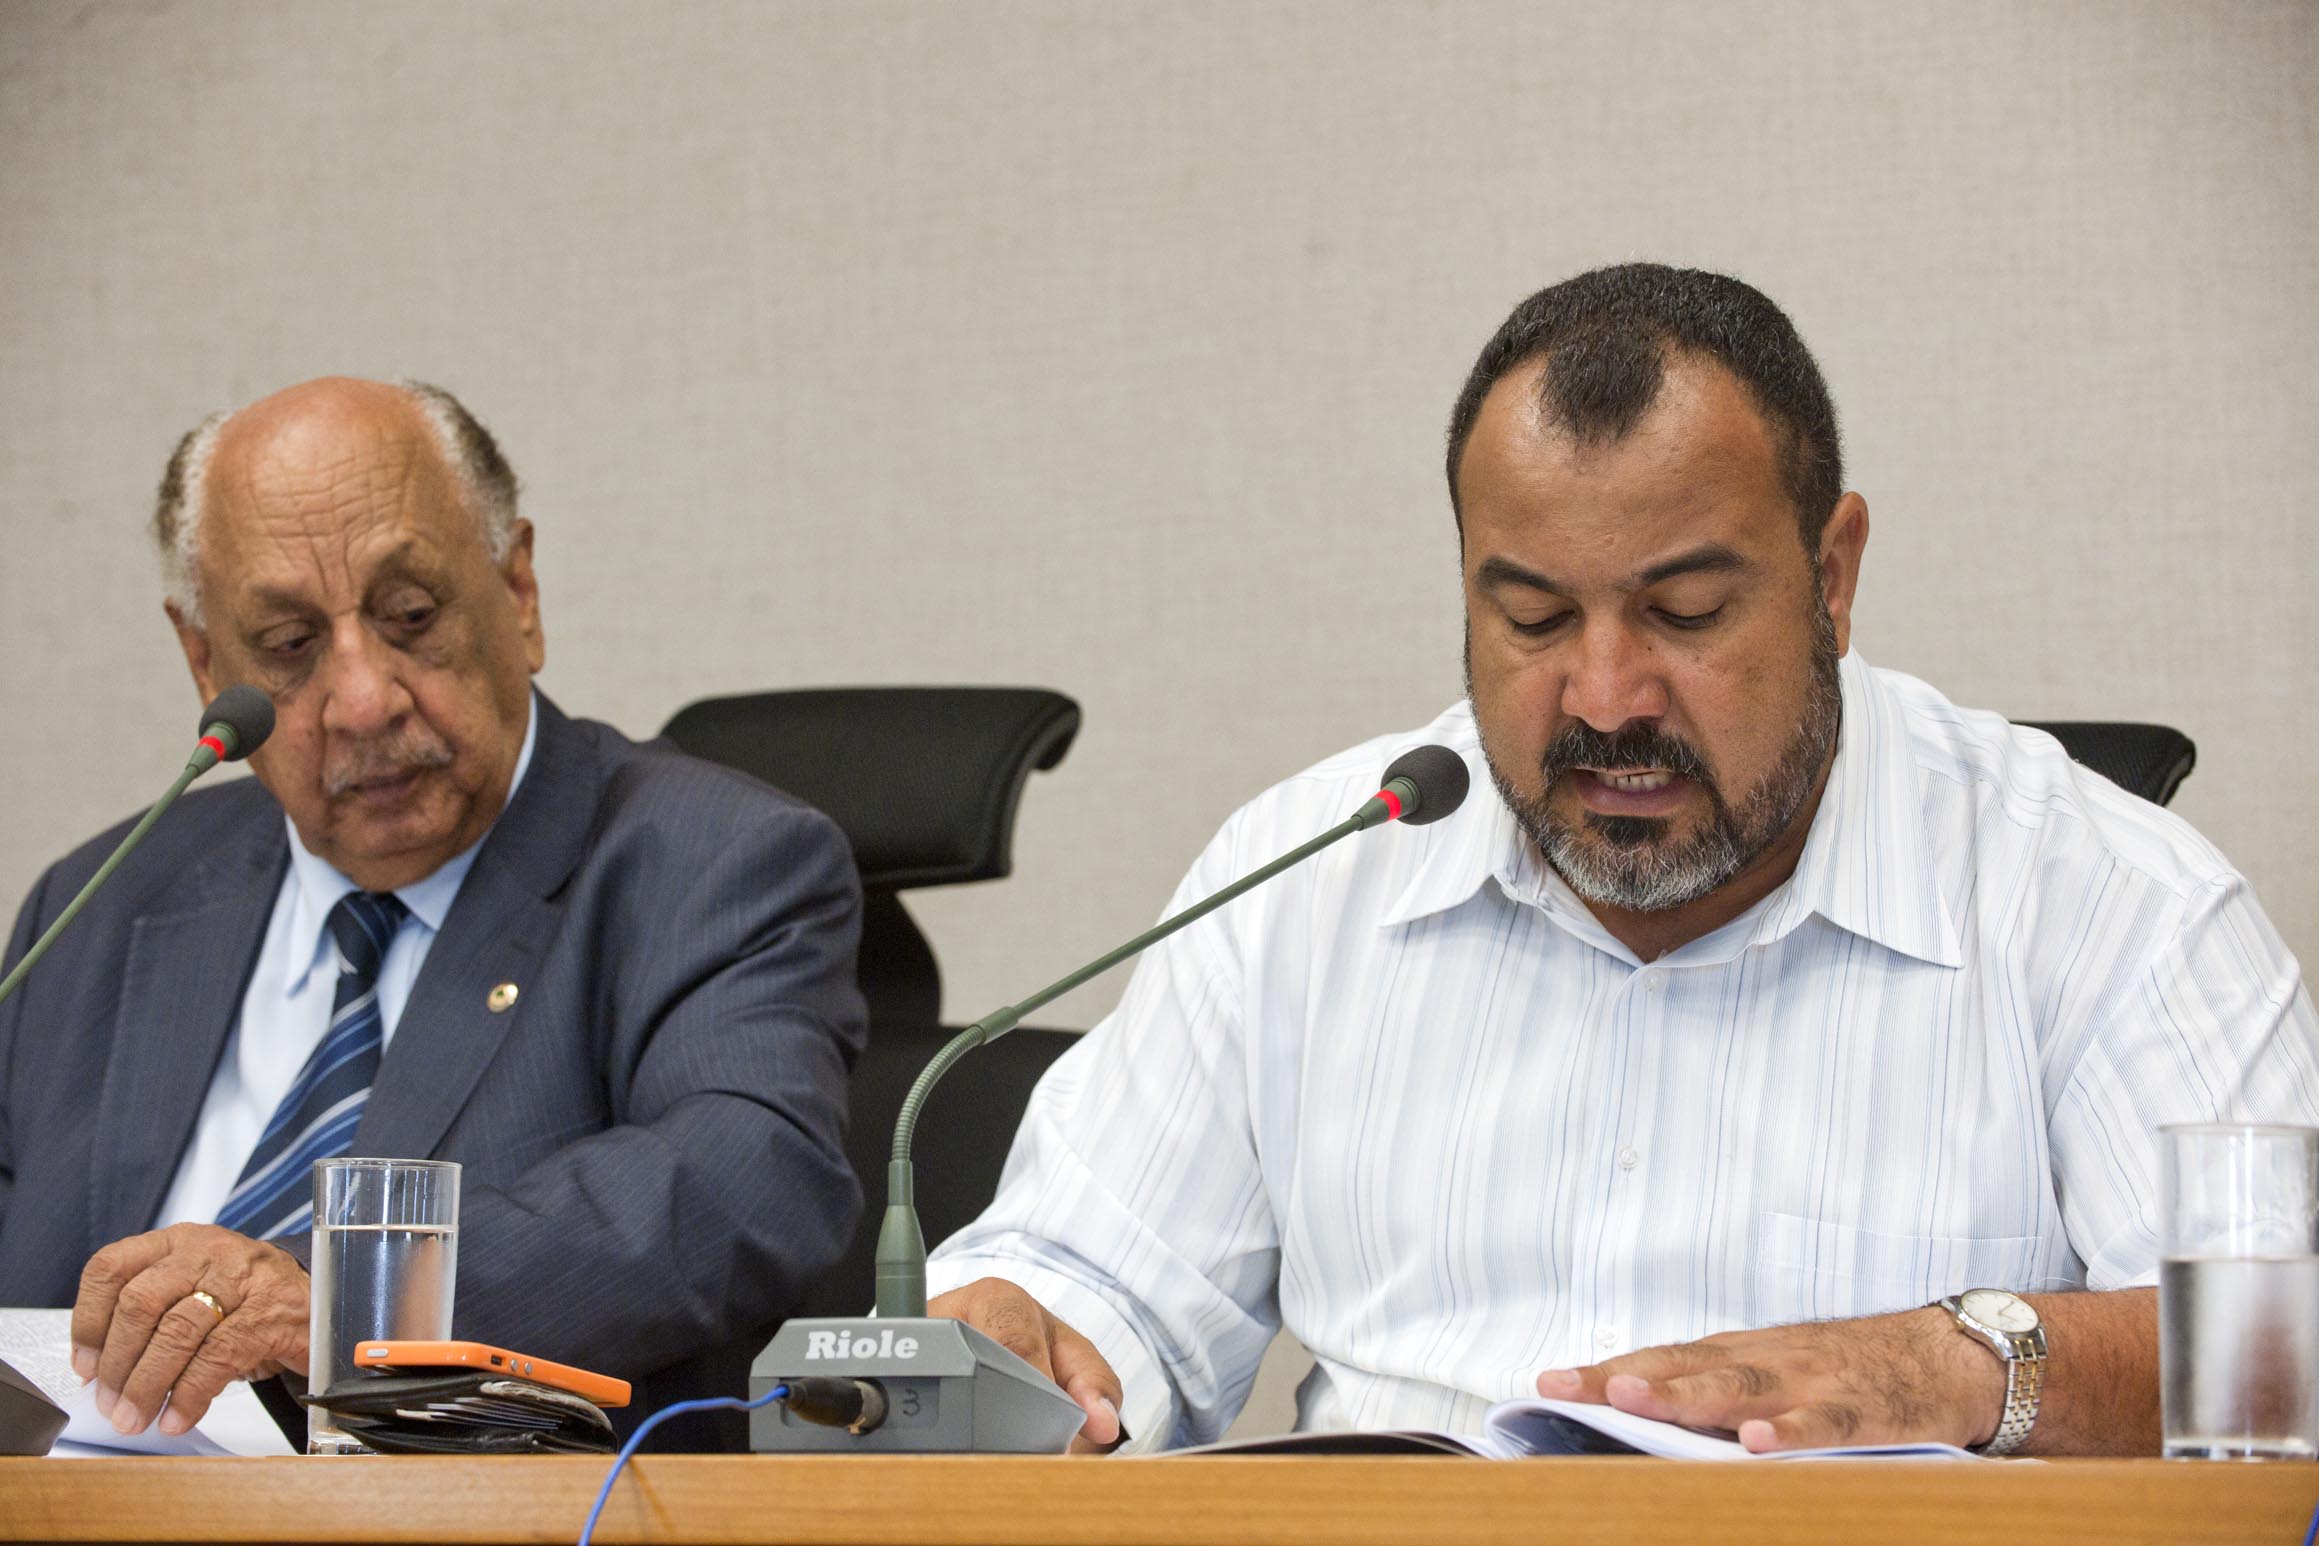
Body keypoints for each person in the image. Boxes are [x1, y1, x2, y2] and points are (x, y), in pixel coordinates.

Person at [924, 263, 2319, 1456]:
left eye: (1685, 610)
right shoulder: (1308, 876)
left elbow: (2287, 1354)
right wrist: (1024, 1335)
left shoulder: (2107, 900)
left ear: (1831, 577)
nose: (1604, 697)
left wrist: (1950, 1363)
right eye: (1533, 618)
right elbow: (1088, 1277)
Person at [0, 378, 866, 1448]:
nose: (365, 699)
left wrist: (335, 1299)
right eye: (288, 643)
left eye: (411, 617)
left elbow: (747, 1181)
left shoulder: (711, 861)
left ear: (520, 592)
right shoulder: (104, 903)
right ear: (203, 660)